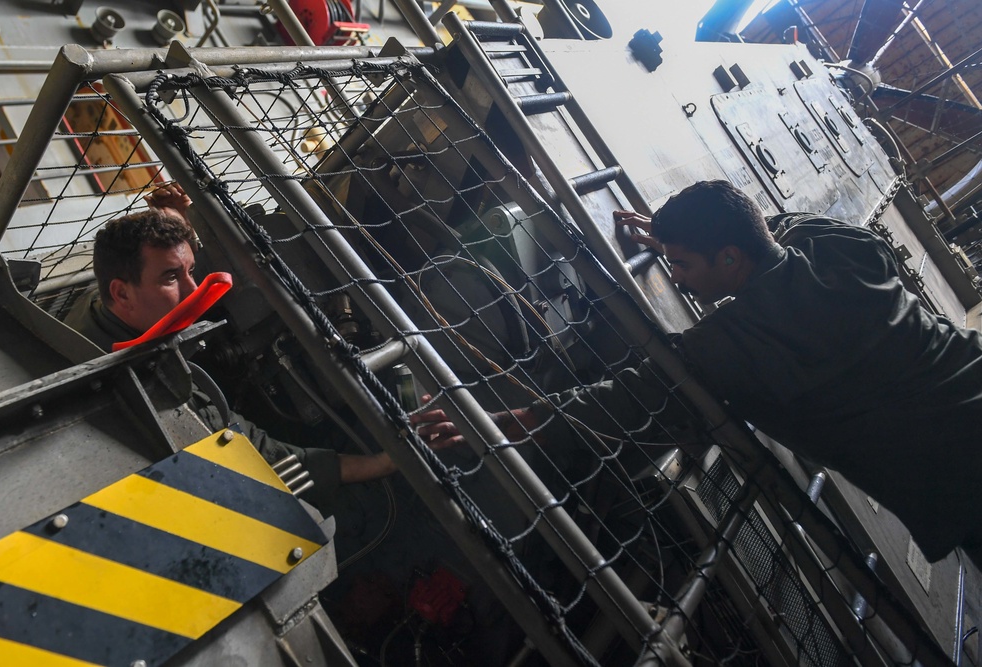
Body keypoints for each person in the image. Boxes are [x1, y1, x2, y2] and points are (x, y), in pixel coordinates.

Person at [415, 179, 982, 565]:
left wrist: (510, 420)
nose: (678, 277)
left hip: (957, 481)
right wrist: (675, 238)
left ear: (731, 259)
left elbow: (633, 398)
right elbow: (777, 226)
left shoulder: (734, 347)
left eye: (682, 264)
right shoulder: (838, 246)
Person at [65, 191, 404, 507]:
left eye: (192, 271)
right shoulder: (155, 389)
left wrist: (182, 223)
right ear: (122, 293)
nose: (193, 288)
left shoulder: (95, 309)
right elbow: (258, 454)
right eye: (171, 277)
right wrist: (380, 463)